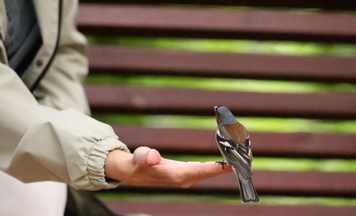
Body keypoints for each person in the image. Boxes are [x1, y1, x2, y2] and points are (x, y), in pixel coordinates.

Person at [0, 0, 229, 215]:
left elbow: (60, 55)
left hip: (26, 145)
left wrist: (65, 154)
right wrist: (103, 158)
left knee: (44, 184)